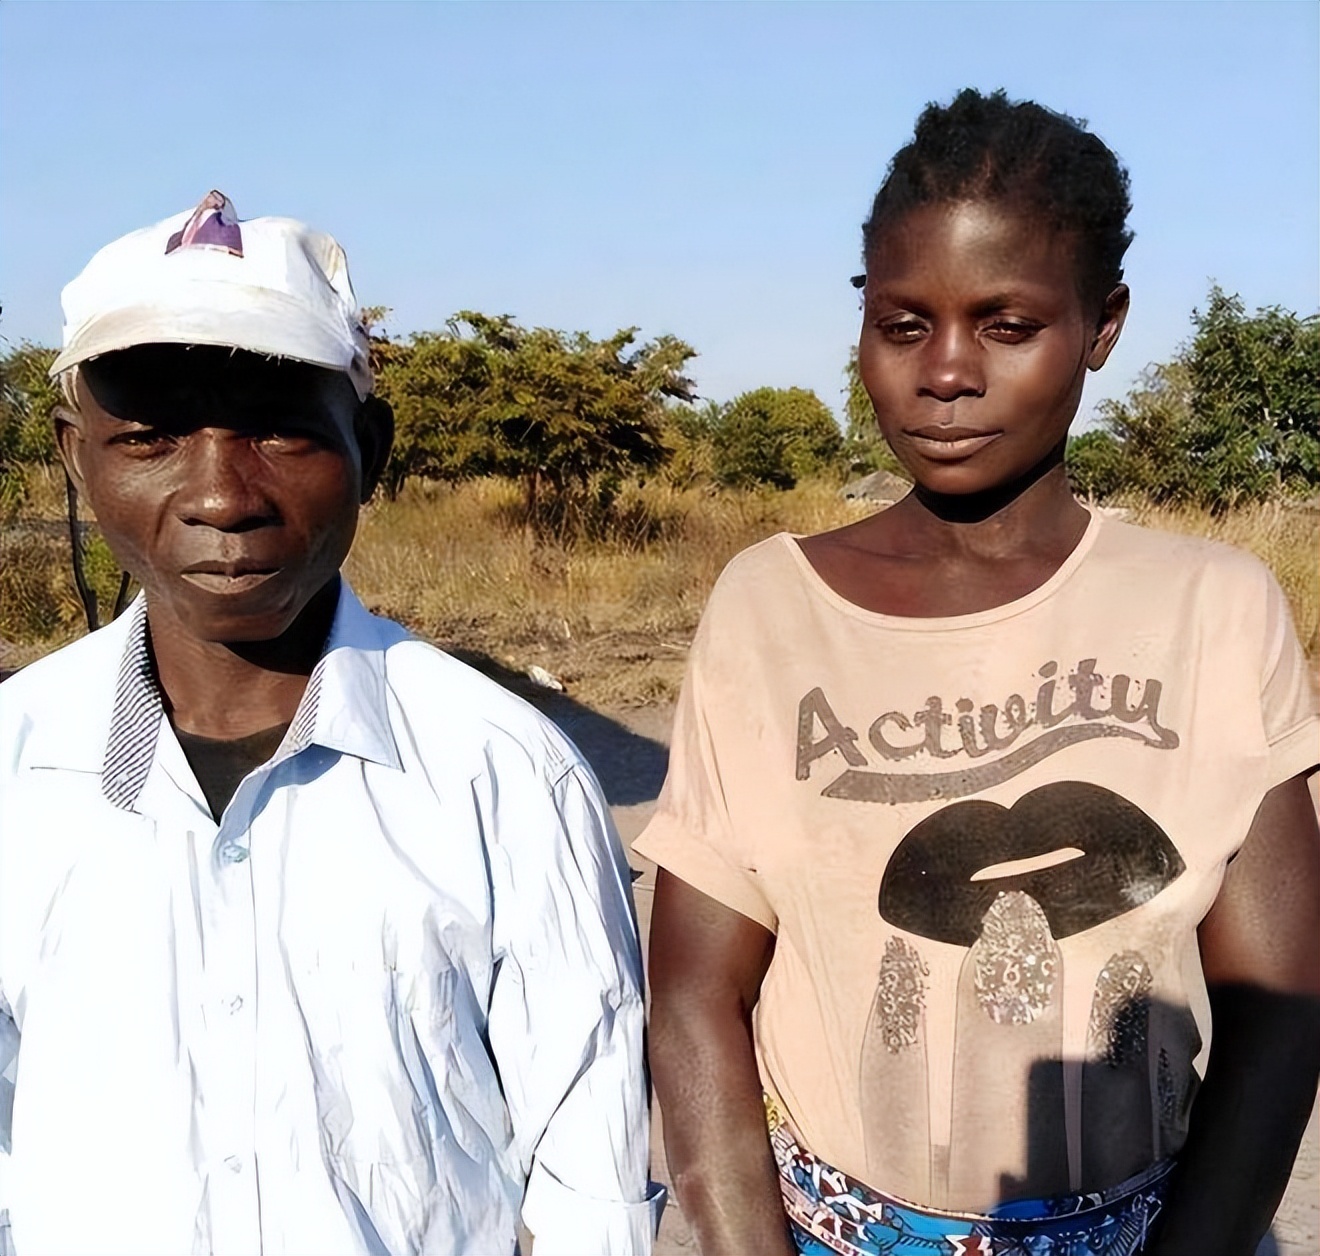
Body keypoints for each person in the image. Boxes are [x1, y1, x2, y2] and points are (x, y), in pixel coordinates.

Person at [638, 89, 1320, 1256]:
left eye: (1005, 325)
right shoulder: (770, 607)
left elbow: (1279, 1009)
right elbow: (697, 995)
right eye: (905, 324)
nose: (945, 372)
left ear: (1101, 325)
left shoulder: (1210, 608)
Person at [0, 191, 661, 1255]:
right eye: (152, 435)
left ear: (372, 445)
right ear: (78, 456)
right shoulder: (15, 765)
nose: (221, 494)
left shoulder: (502, 771)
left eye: (278, 430)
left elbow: (591, 1172)